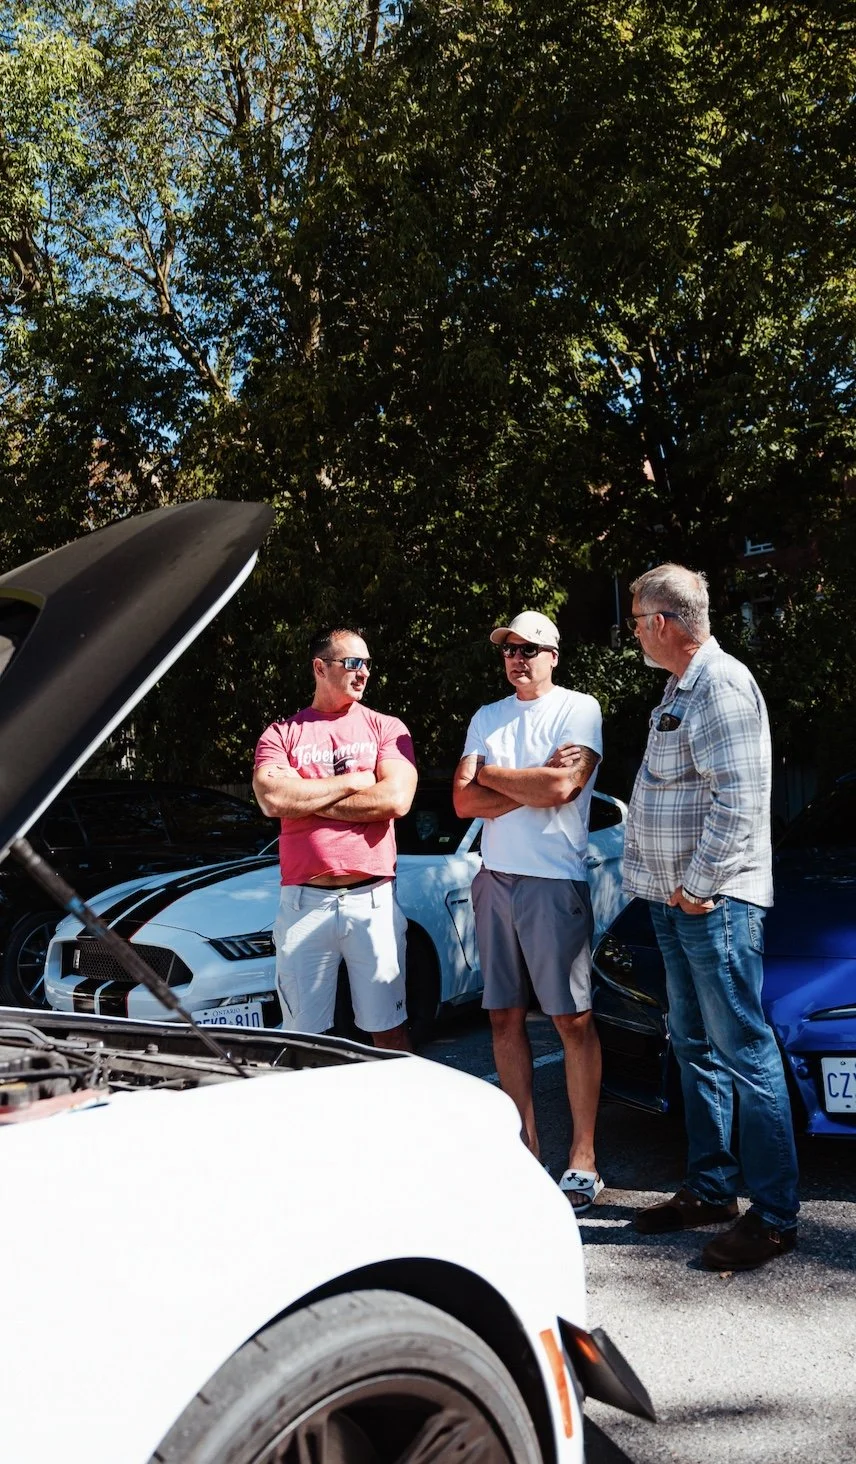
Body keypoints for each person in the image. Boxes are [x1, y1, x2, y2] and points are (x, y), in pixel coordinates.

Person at [623, 563, 799, 1270]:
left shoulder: (721, 685)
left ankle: (776, 1217)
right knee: (694, 1046)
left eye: (638, 620)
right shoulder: (680, 687)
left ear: (664, 623)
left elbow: (740, 801)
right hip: (678, 901)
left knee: (745, 1053)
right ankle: (712, 1188)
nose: (635, 632)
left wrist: (697, 886)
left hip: (712, 901)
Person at [453, 611, 605, 1212]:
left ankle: (583, 1159)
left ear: (554, 656)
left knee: (571, 1021)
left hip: (553, 880)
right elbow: (463, 801)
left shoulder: (578, 708)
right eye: (509, 649)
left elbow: (562, 789)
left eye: (529, 649)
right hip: (494, 878)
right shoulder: (486, 715)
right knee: (502, 1019)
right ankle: (525, 1151)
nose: (517, 658)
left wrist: (491, 775)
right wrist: (531, 782)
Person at [253, 626, 417, 1051]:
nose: (364, 672)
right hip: (304, 904)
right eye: (353, 663)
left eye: (367, 664)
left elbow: (395, 799)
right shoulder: (282, 733)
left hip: (372, 900)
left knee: (389, 1031)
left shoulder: (385, 728)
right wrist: (356, 781)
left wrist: (305, 796)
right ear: (320, 668)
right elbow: (272, 798)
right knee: (301, 1039)